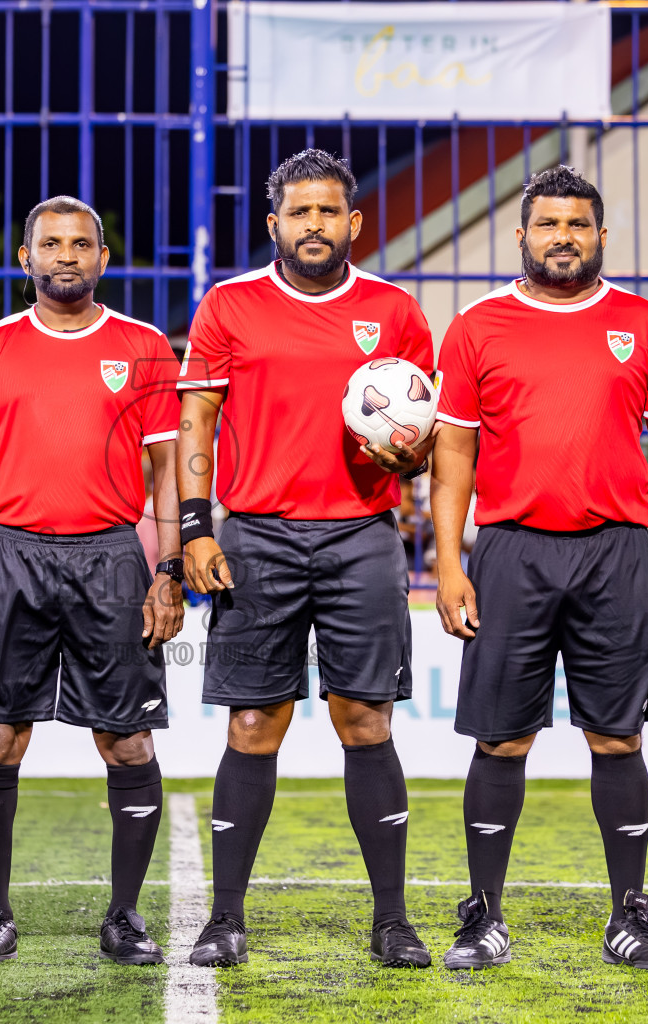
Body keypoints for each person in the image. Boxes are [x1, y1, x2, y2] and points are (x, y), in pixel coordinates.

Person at [432, 166, 648, 971]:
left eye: (578, 225)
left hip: (617, 551)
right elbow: (453, 454)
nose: (563, 238)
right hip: (512, 551)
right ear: (521, 235)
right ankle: (483, 915)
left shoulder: (645, 325)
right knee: (501, 740)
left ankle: (631, 917)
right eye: (548, 225)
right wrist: (448, 564)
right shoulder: (479, 326)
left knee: (616, 738)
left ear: (601, 235)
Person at [179, 149, 436, 969]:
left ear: (354, 223)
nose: (315, 226)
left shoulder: (394, 310)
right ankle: (225, 917)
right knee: (254, 723)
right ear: (274, 225)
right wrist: (194, 526)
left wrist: (411, 458)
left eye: (330, 212)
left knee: (366, 720)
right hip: (256, 536)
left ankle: (391, 920)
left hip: (362, 534)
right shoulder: (229, 306)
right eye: (300, 213)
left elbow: (419, 433)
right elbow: (197, 422)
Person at [0, 195, 184, 967]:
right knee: (0, 736)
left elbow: (170, 471)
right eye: (51, 244)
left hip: (112, 558)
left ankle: (123, 918)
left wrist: (168, 567)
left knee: (125, 739)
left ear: (103, 260)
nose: (67, 255)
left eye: (82, 244)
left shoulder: (144, 346)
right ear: (26, 259)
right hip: (8, 555)